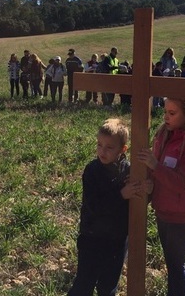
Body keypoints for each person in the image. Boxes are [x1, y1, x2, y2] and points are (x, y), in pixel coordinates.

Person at [67, 118, 146, 296]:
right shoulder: (92, 171)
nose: (102, 151)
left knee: (108, 286)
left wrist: (145, 187)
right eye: (99, 145)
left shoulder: (128, 171)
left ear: (122, 150)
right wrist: (121, 194)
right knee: (83, 283)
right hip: (92, 237)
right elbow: (95, 206)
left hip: (116, 240)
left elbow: (139, 197)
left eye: (109, 147)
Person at [138, 98, 185, 296]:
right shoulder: (162, 134)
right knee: (170, 262)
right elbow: (156, 167)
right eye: (165, 111)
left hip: (182, 216)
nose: (166, 117)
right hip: (163, 210)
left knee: (176, 266)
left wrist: (155, 167)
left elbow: (180, 182)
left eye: (172, 113)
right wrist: (150, 184)